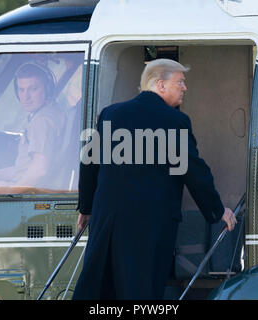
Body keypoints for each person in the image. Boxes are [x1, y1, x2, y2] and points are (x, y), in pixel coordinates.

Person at [72, 59, 237, 300]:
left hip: (108, 219)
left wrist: (86, 208)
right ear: (160, 85)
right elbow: (193, 171)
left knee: (102, 289)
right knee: (142, 290)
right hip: (149, 225)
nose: (184, 88)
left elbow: (89, 164)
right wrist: (216, 210)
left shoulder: (111, 114)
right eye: (180, 82)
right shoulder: (175, 121)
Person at [0, 62, 65, 191]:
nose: (26, 97)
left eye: (33, 89)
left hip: (33, 194)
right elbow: (26, 169)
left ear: (47, 89)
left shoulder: (42, 121)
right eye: (21, 90)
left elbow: (39, 169)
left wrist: (11, 191)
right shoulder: (51, 112)